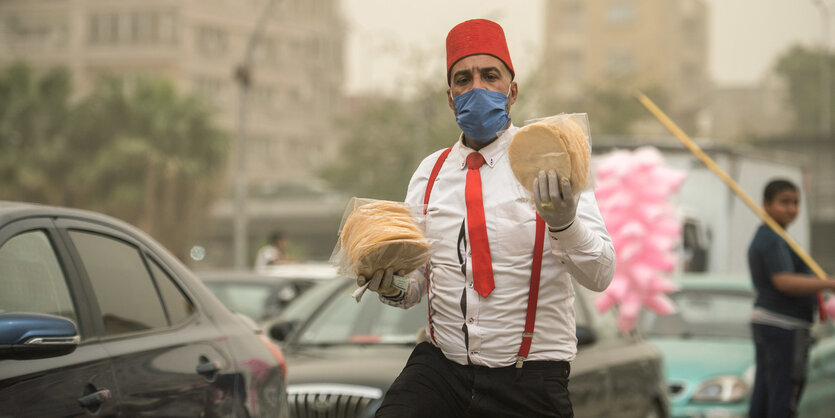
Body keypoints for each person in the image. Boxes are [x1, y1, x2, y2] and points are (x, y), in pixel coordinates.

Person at [357, 19, 615, 418]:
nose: (476, 87)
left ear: (512, 91)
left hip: (529, 376)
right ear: (450, 97)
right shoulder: (430, 173)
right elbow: (417, 285)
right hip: (441, 369)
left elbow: (600, 275)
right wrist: (392, 286)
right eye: (464, 79)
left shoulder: (552, 159)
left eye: (489, 76)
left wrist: (566, 223)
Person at [748, 179, 835, 417]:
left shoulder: (779, 238)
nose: (791, 209)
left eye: (796, 203)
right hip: (782, 326)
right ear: (766, 204)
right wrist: (828, 283)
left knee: (767, 394)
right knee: (784, 396)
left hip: (776, 325)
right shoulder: (771, 239)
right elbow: (784, 281)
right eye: (784, 202)